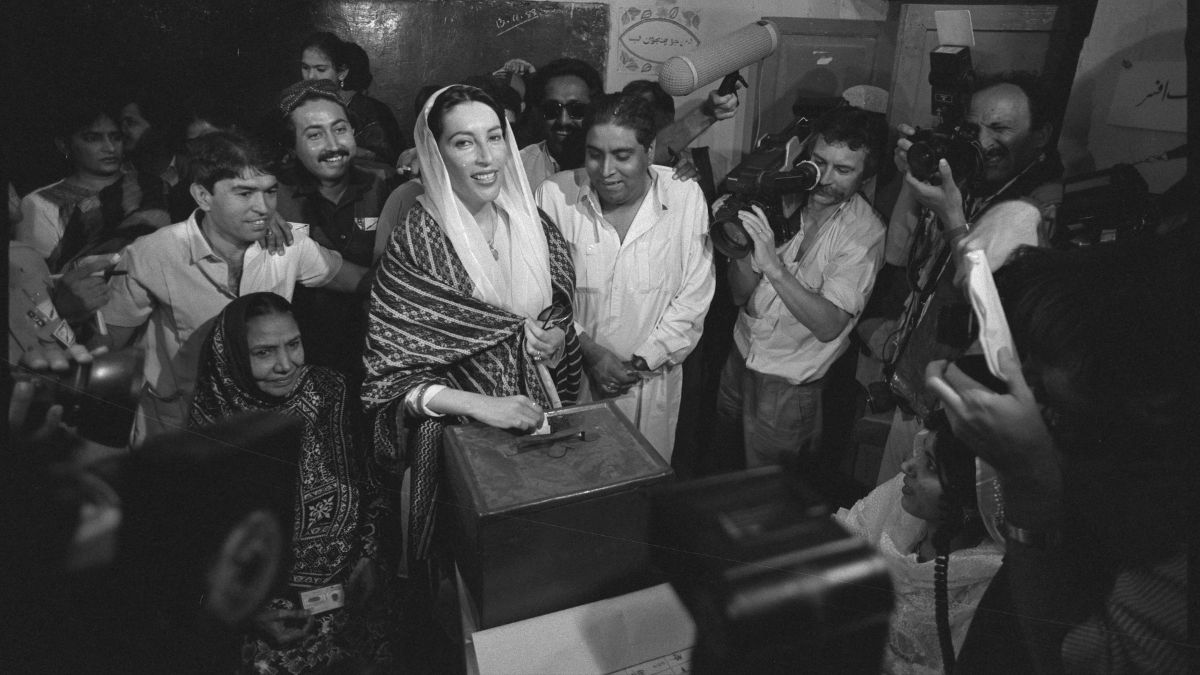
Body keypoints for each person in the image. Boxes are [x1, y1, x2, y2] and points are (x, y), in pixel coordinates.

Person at [926, 237, 1193, 673]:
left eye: (1048, 357)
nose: (1026, 377)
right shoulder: (1109, 453)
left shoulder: (1175, 559)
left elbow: (1068, 661)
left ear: (1151, 392)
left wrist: (1029, 484)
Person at [361, 84, 582, 565]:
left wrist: (557, 338)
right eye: (464, 142)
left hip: (539, 427)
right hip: (458, 448)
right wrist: (485, 406)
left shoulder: (533, 222)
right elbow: (391, 380)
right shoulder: (418, 241)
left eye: (495, 137)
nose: (487, 158)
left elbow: (558, 307)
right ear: (435, 153)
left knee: (539, 565)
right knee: (473, 577)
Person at [103, 130, 369, 447]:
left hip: (258, 433)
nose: (263, 207)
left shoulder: (288, 245)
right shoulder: (154, 253)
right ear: (203, 196)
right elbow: (108, 345)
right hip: (175, 433)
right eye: (244, 194)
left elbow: (363, 281)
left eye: (270, 192)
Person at [869, 71, 1064, 485]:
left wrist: (952, 216)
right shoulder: (971, 184)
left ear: (1041, 134)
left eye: (1000, 129)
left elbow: (985, 305)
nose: (983, 142)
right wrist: (913, 180)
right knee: (882, 517)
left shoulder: (1030, 210)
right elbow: (898, 253)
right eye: (974, 128)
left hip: (955, 421)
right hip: (916, 394)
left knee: (913, 534)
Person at [191, 292, 400, 674]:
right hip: (272, 627)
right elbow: (193, 549)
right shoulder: (212, 432)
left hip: (358, 601)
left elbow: (375, 484)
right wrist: (251, 614)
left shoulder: (332, 391)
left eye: (293, 344)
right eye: (264, 352)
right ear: (233, 356)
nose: (285, 365)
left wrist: (371, 556)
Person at [535, 92, 713, 461]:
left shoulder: (683, 196)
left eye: (622, 155)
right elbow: (541, 292)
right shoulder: (554, 195)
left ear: (649, 151)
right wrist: (594, 354)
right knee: (571, 485)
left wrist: (641, 361)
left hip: (648, 386)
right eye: (595, 153)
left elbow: (694, 297)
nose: (606, 170)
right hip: (572, 378)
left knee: (636, 491)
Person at [712, 104, 887, 469]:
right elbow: (739, 295)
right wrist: (746, 247)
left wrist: (775, 268)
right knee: (724, 466)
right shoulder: (782, 197)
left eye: (843, 170)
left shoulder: (864, 232)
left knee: (768, 491)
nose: (824, 178)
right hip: (740, 358)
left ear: (865, 176)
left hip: (790, 386)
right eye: (819, 162)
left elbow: (829, 326)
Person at [835, 413, 1002, 674]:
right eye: (920, 453)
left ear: (969, 499)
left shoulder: (985, 581)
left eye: (931, 466)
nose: (907, 466)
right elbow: (841, 541)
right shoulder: (897, 500)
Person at [275, 79, 389, 378]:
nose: (333, 145)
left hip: (374, 355)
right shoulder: (272, 196)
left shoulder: (385, 185)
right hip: (298, 362)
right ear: (291, 146)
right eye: (314, 135)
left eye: (340, 129)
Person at [18, 98, 170, 272]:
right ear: (64, 145)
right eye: (93, 138)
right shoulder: (42, 203)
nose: (110, 148)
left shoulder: (151, 186)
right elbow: (36, 276)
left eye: (116, 137)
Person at [299, 32, 402, 166]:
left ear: (342, 73)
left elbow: (388, 162)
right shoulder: (297, 106)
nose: (311, 76)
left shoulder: (368, 110)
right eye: (305, 68)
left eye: (320, 69)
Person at [520, 58, 606, 189]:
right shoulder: (520, 167)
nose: (563, 120)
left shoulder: (611, 168)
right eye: (551, 109)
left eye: (577, 110)